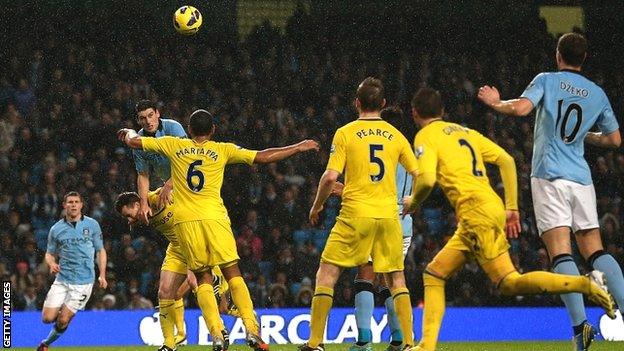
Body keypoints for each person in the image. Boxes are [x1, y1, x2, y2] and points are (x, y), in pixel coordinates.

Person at [404, 87, 615, 351]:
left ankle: (584, 283)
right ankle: (427, 346)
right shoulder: (464, 131)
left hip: (475, 213)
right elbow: (506, 160)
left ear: (414, 113)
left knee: (508, 282)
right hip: (489, 206)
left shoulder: (425, 135)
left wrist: (414, 201)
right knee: (434, 273)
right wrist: (511, 207)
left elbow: (426, 179)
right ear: (443, 111)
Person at [118, 109, 319, 351]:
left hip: (186, 223)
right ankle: (252, 329)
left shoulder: (173, 145)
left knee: (201, 278)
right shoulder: (222, 149)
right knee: (233, 273)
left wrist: (128, 132)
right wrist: (297, 147)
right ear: (212, 130)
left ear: (189, 132)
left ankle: (216, 335)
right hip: (215, 218)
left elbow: (134, 141)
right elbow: (263, 156)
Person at [477, 32, 623, 350]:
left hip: (550, 177)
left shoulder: (547, 79)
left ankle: (581, 329)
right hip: (582, 180)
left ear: (559, 56)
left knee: (561, 252)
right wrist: (589, 137)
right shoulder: (597, 93)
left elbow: (521, 110)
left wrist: (494, 103)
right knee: (596, 252)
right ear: (583, 59)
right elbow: (614, 140)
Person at [301, 77, 419, 351]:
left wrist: (317, 205)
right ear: (383, 104)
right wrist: (414, 198)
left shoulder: (346, 133)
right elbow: (420, 174)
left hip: (355, 215)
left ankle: (316, 342)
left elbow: (330, 176)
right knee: (395, 278)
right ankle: (409, 343)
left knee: (327, 274)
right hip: (392, 218)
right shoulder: (398, 138)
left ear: (357, 103)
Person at [333, 106, 413, 351]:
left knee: (365, 275)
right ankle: (399, 339)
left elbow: (367, 189)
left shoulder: (378, 151)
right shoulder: (410, 151)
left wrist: (341, 190)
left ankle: (364, 341)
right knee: (391, 280)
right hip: (403, 225)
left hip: (375, 218)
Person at [37, 192, 108, 351]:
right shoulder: (56, 229)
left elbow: (100, 251)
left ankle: (45, 344)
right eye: (70, 202)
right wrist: (51, 263)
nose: (73, 205)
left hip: (83, 283)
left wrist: (102, 274)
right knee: (47, 319)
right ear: (64, 205)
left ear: (81, 205)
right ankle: (63, 310)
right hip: (62, 280)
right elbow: (49, 253)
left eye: (76, 202)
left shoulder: (92, 225)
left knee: (62, 320)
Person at [133, 100, 187, 224]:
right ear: (138, 121)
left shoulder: (173, 127)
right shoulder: (138, 141)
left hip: (188, 181)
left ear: (158, 113)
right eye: (143, 118)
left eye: (150, 115)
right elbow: (143, 174)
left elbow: (186, 161)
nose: (148, 121)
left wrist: (168, 185)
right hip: (172, 190)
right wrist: (143, 204)